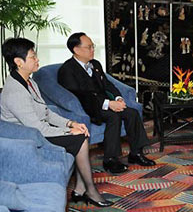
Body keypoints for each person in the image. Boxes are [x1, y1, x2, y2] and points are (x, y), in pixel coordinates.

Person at [0, 38, 113, 207]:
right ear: (18, 62)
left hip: (38, 131)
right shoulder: (14, 91)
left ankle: (81, 188)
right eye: (32, 56)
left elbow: (46, 113)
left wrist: (70, 124)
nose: (37, 59)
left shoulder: (29, 82)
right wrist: (69, 132)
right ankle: (89, 189)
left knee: (80, 132)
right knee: (79, 138)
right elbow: (37, 128)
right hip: (28, 139)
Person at [58, 32, 156, 175]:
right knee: (113, 116)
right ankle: (110, 159)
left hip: (106, 102)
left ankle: (136, 153)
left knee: (132, 113)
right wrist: (107, 104)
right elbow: (81, 96)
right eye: (89, 47)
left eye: (93, 46)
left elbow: (108, 84)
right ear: (76, 50)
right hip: (87, 108)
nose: (93, 50)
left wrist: (117, 98)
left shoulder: (95, 64)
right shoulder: (67, 70)